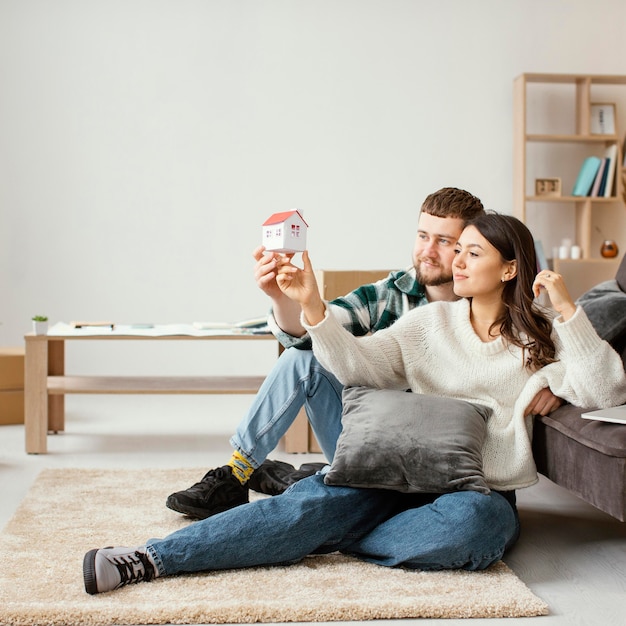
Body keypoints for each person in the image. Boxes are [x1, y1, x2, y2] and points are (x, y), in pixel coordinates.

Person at [83, 212, 626, 594]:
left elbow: (605, 390)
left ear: (510, 269)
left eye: (472, 252)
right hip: (392, 468)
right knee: (311, 506)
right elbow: (358, 366)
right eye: (456, 251)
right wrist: (314, 308)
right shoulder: (427, 322)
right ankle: (149, 559)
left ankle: (311, 522)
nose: (456, 262)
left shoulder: (544, 341)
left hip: (474, 489)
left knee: (478, 530)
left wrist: (567, 312)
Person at [166, 189, 561, 520]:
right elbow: (313, 333)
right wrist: (283, 298)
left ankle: (305, 479)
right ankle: (238, 473)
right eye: (423, 236)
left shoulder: (521, 320)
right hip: (368, 440)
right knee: (304, 361)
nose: (428, 251)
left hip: (446, 459)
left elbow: (577, 363)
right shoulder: (388, 294)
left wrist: (554, 384)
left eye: (446, 242)